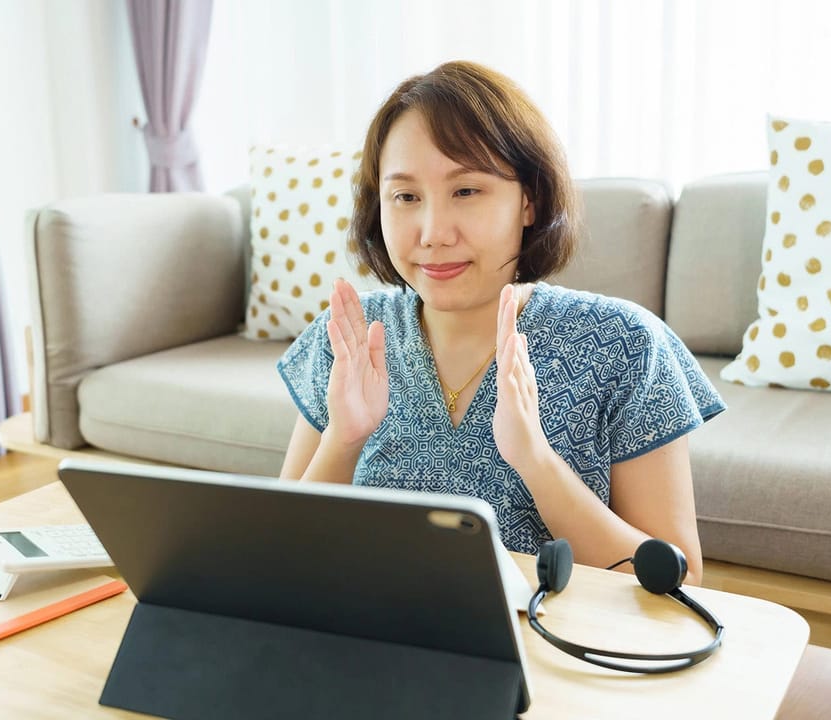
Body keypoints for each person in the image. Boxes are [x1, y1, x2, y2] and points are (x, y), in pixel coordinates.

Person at [276, 61, 725, 584]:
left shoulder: (625, 345)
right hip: (374, 641)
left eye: (466, 191)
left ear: (528, 201)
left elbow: (679, 578)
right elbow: (282, 553)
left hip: (547, 655)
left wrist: (535, 461)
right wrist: (343, 439)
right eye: (405, 197)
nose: (433, 232)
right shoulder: (350, 339)